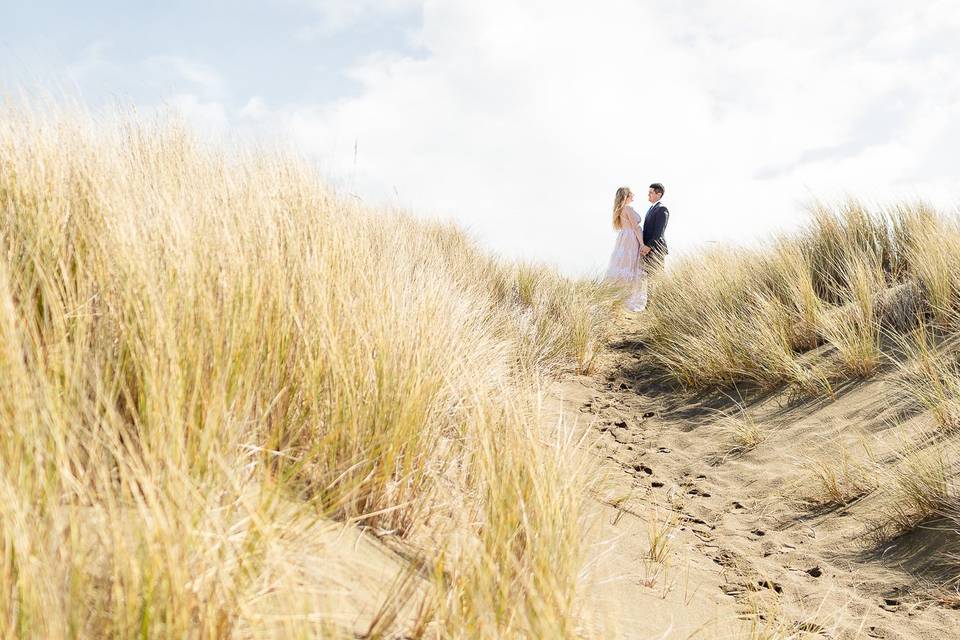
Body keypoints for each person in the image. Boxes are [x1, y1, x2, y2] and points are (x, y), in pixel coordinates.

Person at [604, 186, 648, 311]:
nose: (633, 195)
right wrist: (642, 244)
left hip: (624, 238)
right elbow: (636, 228)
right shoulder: (627, 209)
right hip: (631, 239)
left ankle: (620, 296)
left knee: (623, 266)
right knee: (630, 266)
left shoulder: (621, 209)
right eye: (631, 194)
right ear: (626, 196)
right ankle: (628, 298)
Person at [636, 182, 670, 307]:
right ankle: (648, 306)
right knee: (648, 278)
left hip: (656, 250)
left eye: (651, 192)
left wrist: (648, 246)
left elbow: (659, 232)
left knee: (656, 279)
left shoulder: (662, 209)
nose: (648, 195)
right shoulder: (651, 209)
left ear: (658, 194)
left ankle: (657, 307)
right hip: (648, 250)